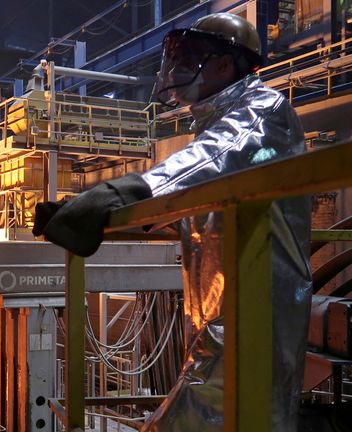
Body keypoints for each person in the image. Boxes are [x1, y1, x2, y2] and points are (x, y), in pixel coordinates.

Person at [33, 13, 311, 431]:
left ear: (224, 65)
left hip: (255, 317)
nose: (176, 68)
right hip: (219, 319)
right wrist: (107, 211)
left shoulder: (263, 111)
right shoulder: (216, 122)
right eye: (175, 57)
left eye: (190, 57)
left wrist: (121, 194)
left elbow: (213, 158)